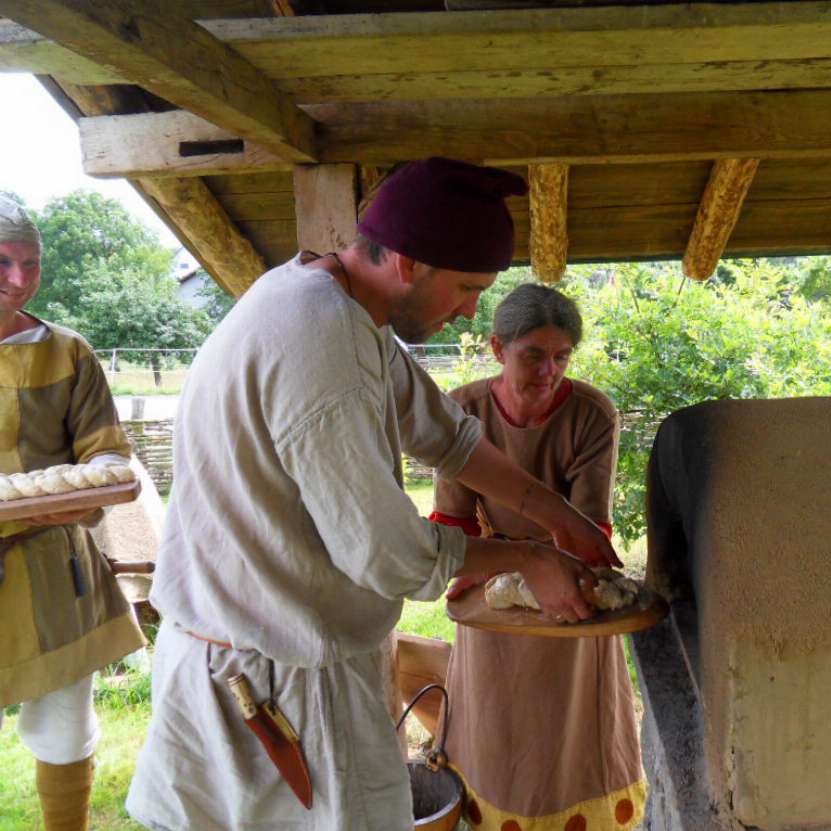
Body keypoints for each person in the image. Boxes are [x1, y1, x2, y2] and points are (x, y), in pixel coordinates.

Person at [125, 157, 619, 831]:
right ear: (410, 263)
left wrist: (559, 518)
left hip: (254, 653)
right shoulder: (322, 342)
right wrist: (528, 558)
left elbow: (450, 438)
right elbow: (385, 553)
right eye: (467, 287)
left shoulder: (333, 303)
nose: (473, 310)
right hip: (277, 680)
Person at [431, 283, 644, 831]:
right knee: (498, 731)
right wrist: (508, 572)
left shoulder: (592, 413)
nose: (548, 370)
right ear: (498, 349)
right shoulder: (463, 409)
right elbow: (454, 521)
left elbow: (584, 524)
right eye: (533, 355)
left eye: (561, 356)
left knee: (570, 730)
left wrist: (551, 576)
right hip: (490, 583)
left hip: (571, 577)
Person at [0, 197, 145, 831]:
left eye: (31, 263)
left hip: (55, 571)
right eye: (3, 262)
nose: (19, 278)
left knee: (63, 725)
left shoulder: (68, 353)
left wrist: (48, 505)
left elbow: (107, 458)